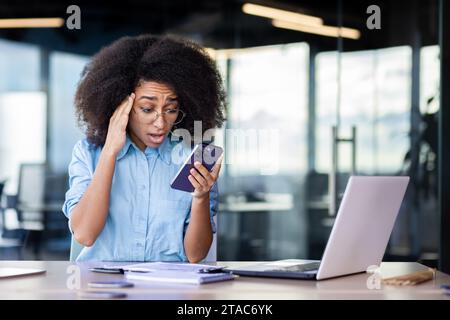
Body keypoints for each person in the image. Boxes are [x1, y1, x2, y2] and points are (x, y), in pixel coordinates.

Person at [62, 35, 226, 262]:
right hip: (101, 290)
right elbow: (85, 234)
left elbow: (196, 255)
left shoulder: (192, 158)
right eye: (147, 109)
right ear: (121, 105)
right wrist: (110, 151)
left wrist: (200, 197)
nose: (161, 123)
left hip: (168, 290)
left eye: (170, 109)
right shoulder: (88, 154)